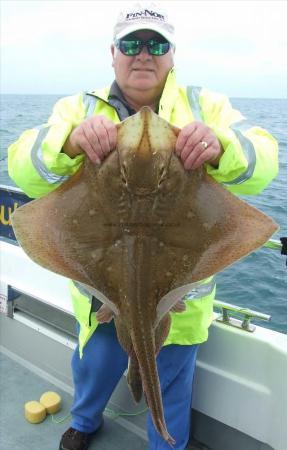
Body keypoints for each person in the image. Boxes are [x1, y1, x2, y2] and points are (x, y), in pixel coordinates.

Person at [8, 2, 278, 450]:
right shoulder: (78, 107)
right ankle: (84, 421)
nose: (144, 54)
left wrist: (220, 146)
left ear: (172, 54)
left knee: (168, 383)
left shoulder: (206, 106)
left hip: (181, 304)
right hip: (99, 297)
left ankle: (165, 440)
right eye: (131, 43)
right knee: (93, 368)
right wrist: (70, 142)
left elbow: (264, 161)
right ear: (112, 52)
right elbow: (22, 166)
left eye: (157, 44)